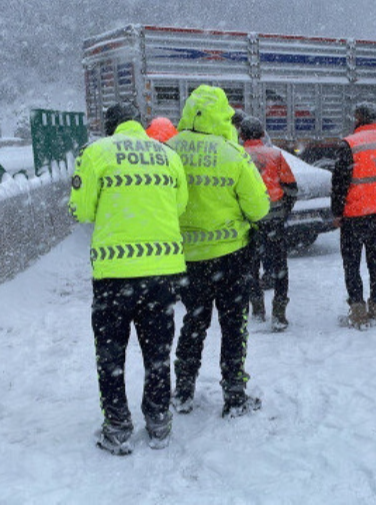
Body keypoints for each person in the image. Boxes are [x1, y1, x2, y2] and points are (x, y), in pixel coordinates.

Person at [68, 102, 188, 455]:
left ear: (110, 128)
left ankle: (118, 426)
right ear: (139, 123)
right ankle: (159, 421)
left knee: (111, 354)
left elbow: (82, 209)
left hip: (114, 278)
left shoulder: (96, 154)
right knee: (157, 352)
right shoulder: (167, 154)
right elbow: (179, 205)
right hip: (161, 276)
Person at [166, 85, 270, 418]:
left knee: (193, 323)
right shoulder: (232, 153)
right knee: (233, 327)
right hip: (231, 259)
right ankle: (235, 395)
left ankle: (182, 390)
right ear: (222, 115)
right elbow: (258, 209)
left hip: (185, 260)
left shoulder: (168, 151)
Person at [330, 102, 376, 329]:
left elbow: (339, 184)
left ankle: (358, 311)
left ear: (358, 118)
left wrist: (337, 212)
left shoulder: (350, 144)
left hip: (354, 215)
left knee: (352, 264)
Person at [240, 116, 298, 332]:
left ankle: (257, 309)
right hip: (274, 220)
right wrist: (283, 211)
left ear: (242, 135)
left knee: (251, 266)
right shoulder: (275, 155)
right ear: (262, 134)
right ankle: (279, 313)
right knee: (280, 265)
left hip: (249, 222)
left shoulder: (238, 156)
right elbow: (291, 187)